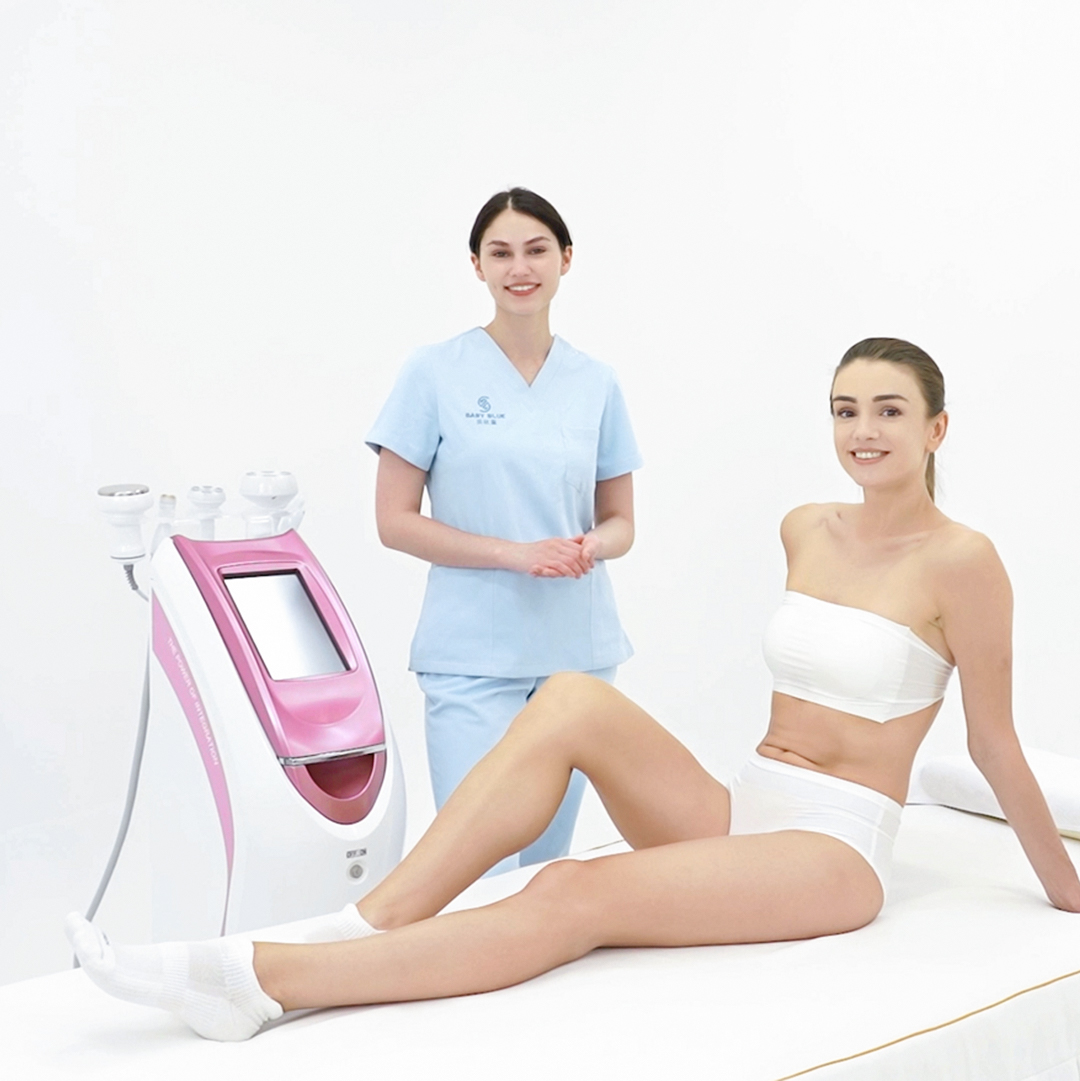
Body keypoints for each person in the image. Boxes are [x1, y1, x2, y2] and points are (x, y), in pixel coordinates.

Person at [67, 336, 1080, 1042]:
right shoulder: (806, 526)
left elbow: (991, 742)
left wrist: (1067, 887)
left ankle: (265, 980)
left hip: (834, 847)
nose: (863, 430)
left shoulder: (964, 562)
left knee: (570, 887)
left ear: (937, 428)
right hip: (743, 805)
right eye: (845, 409)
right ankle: (368, 919)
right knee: (569, 697)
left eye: (890, 411)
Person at [364, 188, 641, 870]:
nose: (520, 267)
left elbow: (621, 522)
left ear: (566, 258)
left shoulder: (595, 382)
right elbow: (394, 521)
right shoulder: (433, 372)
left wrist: (592, 545)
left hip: (575, 657)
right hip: (473, 656)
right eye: (501, 253)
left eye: (537, 249)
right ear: (477, 266)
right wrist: (515, 554)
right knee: (474, 870)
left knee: (543, 874)